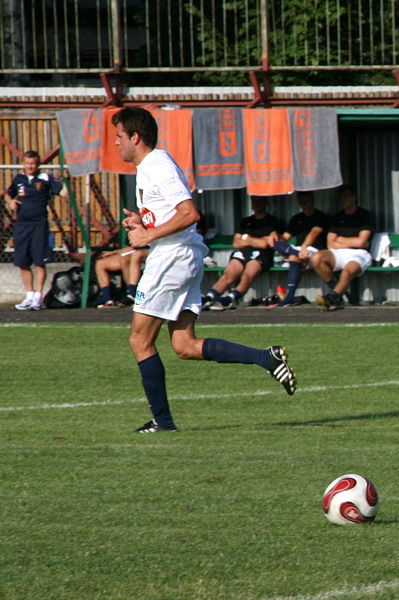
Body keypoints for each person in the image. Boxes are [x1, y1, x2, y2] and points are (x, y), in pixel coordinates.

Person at [112, 106, 296, 433]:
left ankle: (163, 422)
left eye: (119, 137)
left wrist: (147, 235)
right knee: (184, 345)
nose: (116, 144)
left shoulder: (157, 167)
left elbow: (188, 213)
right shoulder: (151, 167)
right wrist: (143, 222)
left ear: (135, 137)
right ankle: (265, 358)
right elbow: (173, 213)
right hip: (180, 255)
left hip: (171, 258)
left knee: (140, 341)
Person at [5, 150, 69, 311]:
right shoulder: (19, 179)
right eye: (27, 163)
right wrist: (11, 202)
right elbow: (8, 194)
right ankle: (29, 295)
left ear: (38, 164)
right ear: (23, 164)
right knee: (22, 262)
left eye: (33, 163)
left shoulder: (45, 178)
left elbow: (63, 193)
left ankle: (38, 297)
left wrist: (67, 180)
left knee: (40, 261)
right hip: (22, 225)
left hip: (39, 225)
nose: (30, 166)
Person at [201, 196, 283, 310]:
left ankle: (230, 299)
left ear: (265, 203)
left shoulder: (272, 222)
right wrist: (256, 240)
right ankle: (209, 297)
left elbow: (265, 244)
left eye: (259, 201)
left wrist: (247, 239)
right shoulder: (246, 221)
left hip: (262, 254)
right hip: (244, 252)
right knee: (228, 275)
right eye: (254, 201)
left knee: (247, 275)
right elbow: (236, 243)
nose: (256, 204)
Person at [311, 185, 373, 311]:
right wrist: (351, 241)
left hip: (359, 254)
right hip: (339, 253)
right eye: (340, 198)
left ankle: (332, 297)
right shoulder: (337, 218)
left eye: (345, 197)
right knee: (316, 258)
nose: (342, 200)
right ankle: (336, 291)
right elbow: (330, 244)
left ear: (354, 197)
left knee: (346, 272)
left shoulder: (364, 215)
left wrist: (339, 239)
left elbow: (361, 243)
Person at [271, 191, 330, 307]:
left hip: (316, 252)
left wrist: (303, 248)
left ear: (312, 200)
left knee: (293, 257)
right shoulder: (296, 219)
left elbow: (314, 233)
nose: (304, 204)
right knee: (275, 243)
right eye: (301, 202)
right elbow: (285, 237)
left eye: (307, 201)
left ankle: (289, 297)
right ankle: (295, 253)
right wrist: (275, 237)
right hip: (299, 251)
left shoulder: (321, 217)